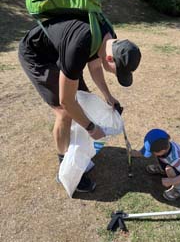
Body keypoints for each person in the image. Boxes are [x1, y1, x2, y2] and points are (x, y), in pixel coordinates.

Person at [18, 14, 141, 193]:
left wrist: (108, 96)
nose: (116, 75)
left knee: (83, 102)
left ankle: (76, 150)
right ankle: (65, 167)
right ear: (110, 58)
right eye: (117, 72)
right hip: (39, 56)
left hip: (61, 52)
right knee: (64, 112)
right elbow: (66, 101)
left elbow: (96, 66)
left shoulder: (108, 38)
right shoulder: (78, 46)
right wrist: (91, 128)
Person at [131, 129, 180, 201]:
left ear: (162, 151)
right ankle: (163, 169)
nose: (152, 153)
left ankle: (178, 189)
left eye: (153, 152)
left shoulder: (175, 159)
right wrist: (136, 153)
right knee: (162, 160)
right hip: (171, 163)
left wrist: (171, 181)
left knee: (169, 169)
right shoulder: (164, 146)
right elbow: (147, 148)